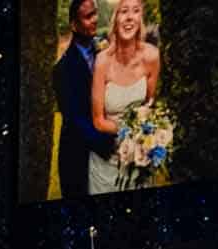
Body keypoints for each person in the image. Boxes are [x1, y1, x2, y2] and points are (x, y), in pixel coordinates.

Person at [88, 0, 159, 195]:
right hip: (106, 161)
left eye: (135, 11)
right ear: (115, 19)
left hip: (139, 161)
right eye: (123, 11)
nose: (129, 17)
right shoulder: (102, 61)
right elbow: (98, 121)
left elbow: (150, 103)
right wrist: (132, 130)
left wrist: (147, 138)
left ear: (141, 18)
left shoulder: (152, 56)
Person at [52, 0, 114, 199]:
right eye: (88, 16)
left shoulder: (104, 53)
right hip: (78, 159)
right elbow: (74, 119)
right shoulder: (63, 69)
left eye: (95, 13)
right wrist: (111, 146)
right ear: (74, 25)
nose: (95, 20)